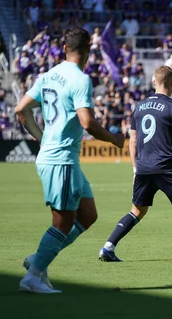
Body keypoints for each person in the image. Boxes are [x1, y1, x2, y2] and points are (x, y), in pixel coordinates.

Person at [15, 27, 125, 293]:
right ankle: (33, 276)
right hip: (60, 160)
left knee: (88, 215)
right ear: (88, 51)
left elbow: (21, 110)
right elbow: (87, 122)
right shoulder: (81, 79)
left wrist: (42, 138)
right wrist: (114, 139)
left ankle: (38, 259)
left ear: (64, 48)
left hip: (59, 157)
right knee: (63, 222)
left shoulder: (48, 75)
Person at [98, 65, 172, 263]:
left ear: (153, 82)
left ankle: (108, 247)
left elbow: (132, 141)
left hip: (143, 167)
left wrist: (135, 168)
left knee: (137, 211)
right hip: (166, 166)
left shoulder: (139, 106)